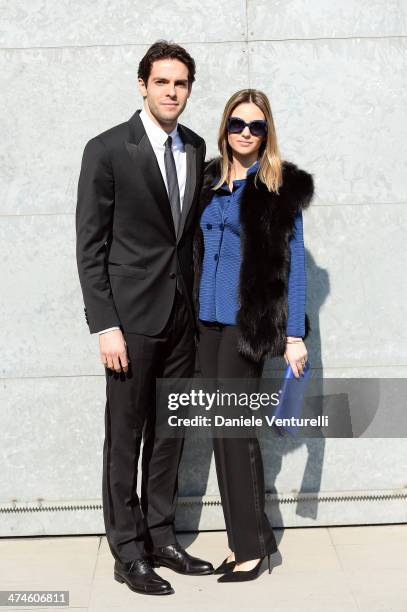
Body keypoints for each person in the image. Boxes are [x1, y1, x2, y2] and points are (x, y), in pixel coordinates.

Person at [76, 40, 213, 597]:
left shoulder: (198, 147)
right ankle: (127, 550)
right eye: (162, 82)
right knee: (126, 434)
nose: (172, 92)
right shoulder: (108, 149)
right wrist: (104, 324)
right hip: (130, 321)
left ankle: (162, 536)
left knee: (170, 432)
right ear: (142, 85)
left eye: (180, 84)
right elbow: (91, 246)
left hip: (184, 316)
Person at [193, 88, 314, 583]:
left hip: (248, 327)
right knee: (222, 435)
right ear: (225, 127)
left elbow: (296, 264)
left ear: (267, 133)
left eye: (257, 126)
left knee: (236, 433)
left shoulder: (279, 187)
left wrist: (294, 335)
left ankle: (253, 548)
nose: (246, 132)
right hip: (206, 324)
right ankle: (248, 539)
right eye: (239, 124)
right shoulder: (205, 182)